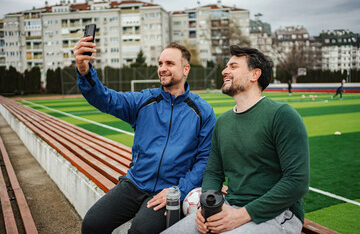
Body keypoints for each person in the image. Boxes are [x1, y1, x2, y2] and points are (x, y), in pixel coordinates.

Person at [73, 38, 216, 234]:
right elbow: (104, 98)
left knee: (141, 231)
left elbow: (205, 161)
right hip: (135, 183)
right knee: (91, 224)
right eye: (160, 63)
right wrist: (84, 70)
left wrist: (179, 191)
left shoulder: (203, 112)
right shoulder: (143, 101)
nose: (162, 68)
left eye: (169, 63)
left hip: (169, 190)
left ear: (186, 69)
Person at [162, 46, 310, 234]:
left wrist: (241, 216)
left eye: (233, 66)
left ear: (254, 74)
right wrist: (206, 208)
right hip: (230, 206)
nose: (224, 71)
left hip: (278, 214)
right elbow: (213, 172)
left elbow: (297, 182)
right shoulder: (223, 121)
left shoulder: (282, 115)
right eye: (226, 66)